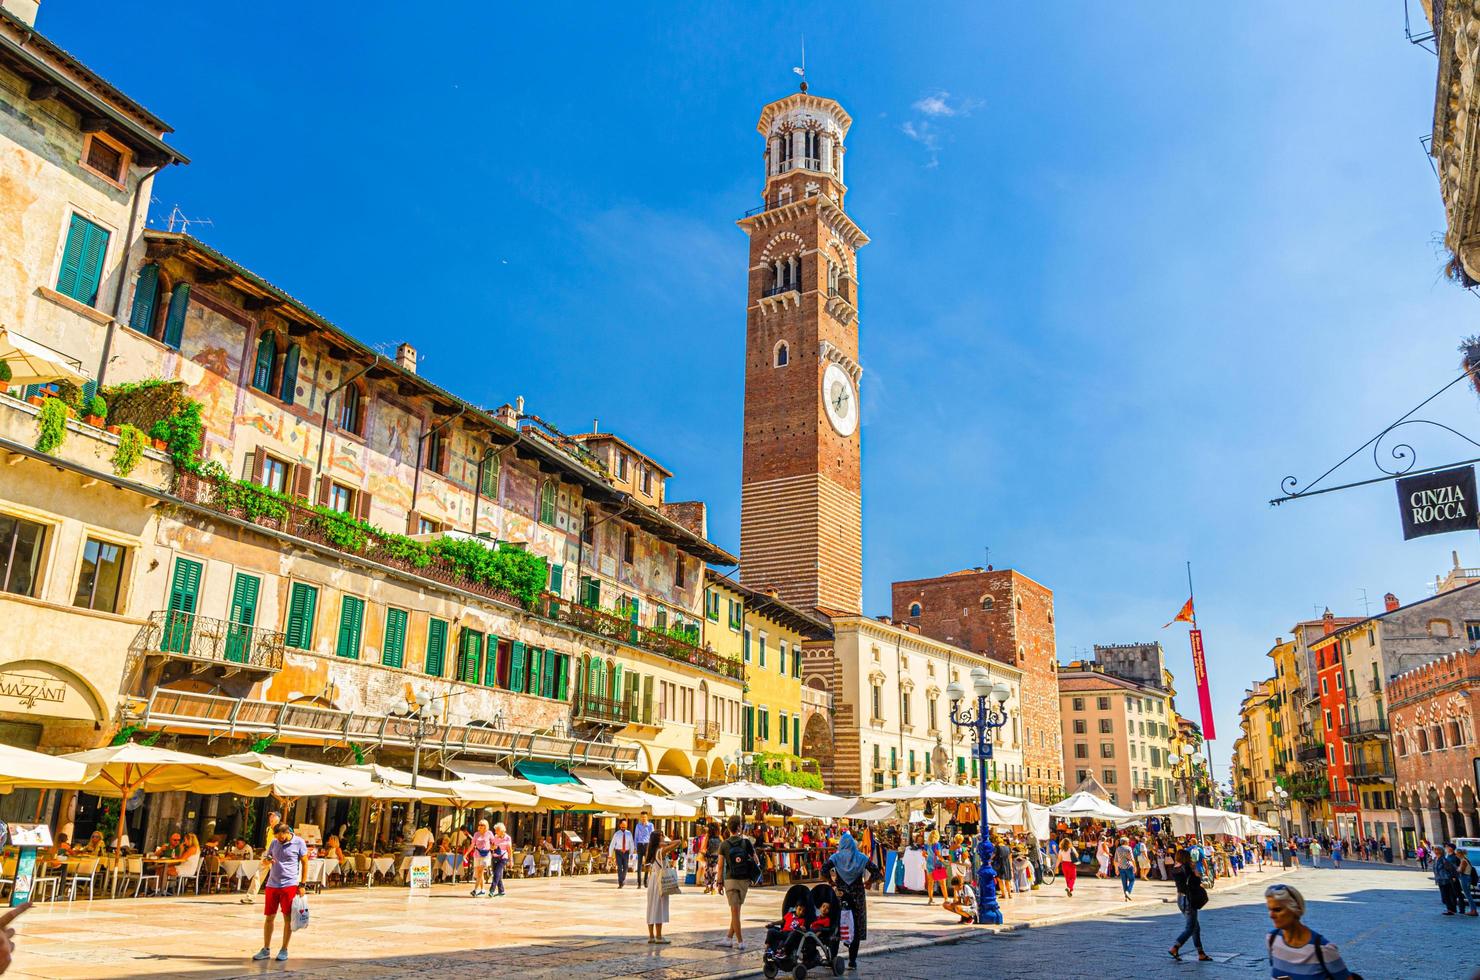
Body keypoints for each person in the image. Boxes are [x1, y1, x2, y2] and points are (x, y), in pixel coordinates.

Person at [1265, 883, 1353, 979]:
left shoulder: (1323, 949)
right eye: (1269, 910)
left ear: (1295, 909)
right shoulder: (1272, 939)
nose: (1271, 915)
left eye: (1277, 910)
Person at [826, 831, 881, 971]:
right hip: (857, 897)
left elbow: (823, 869)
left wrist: (831, 883)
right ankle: (852, 961)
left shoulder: (836, 857)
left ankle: (833, 959)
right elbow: (876, 872)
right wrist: (868, 882)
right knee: (855, 928)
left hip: (840, 896)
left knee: (837, 926)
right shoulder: (861, 857)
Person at [253, 822, 308, 963]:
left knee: (287, 918)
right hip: (272, 884)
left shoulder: (299, 842)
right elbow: (266, 860)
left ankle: (284, 949)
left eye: (281, 836)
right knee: (269, 917)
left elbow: (305, 862)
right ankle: (265, 949)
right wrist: (267, 861)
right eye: (276, 837)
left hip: (289, 885)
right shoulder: (274, 842)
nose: (279, 839)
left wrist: (302, 884)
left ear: (287, 832)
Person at [721, 815, 760, 951]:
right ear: (739, 827)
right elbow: (756, 860)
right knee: (736, 910)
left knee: (735, 910)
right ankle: (728, 938)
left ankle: (740, 941)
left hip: (730, 880)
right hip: (744, 881)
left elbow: (720, 866)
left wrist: (719, 882)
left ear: (729, 828)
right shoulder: (746, 842)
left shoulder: (724, 844)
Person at [1169, 847, 1212, 962]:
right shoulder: (1186, 868)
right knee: (1190, 927)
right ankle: (1175, 947)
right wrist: (1197, 875)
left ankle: (1201, 953)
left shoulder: (1175, 868)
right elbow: (1195, 882)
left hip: (1180, 898)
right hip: (1189, 898)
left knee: (1195, 927)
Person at [644, 829, 682, 944]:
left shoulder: (650, 850)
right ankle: (659, 937)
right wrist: (665, 843)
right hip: (660, 881)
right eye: (662, 836)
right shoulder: (661, 851)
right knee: (659, 908)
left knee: (651, 907)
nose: (664, 837)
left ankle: (651, 936)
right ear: (658, 839)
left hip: (653, 880)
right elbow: (678, 842)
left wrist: (661, 842)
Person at [240, 811, 281, 904]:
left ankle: (286, 896)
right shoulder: (268, 829)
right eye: (270, 816)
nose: (270, 818)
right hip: (267, 854)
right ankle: (251, 896)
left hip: (277, 854)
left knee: (280, 876)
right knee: (258, 874)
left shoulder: (281, 828)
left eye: (273, 816)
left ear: (278, 818)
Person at [467, 819, 495, 896]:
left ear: (486, 826)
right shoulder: (476, 834)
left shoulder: (489, 833)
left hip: (486, 855)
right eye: (479, 824)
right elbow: (472, 845)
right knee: (479, 873)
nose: (480, 826)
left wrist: (493, 847)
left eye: (482, 825)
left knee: (480, 871)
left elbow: (494, 843)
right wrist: (466, 854)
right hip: (477, 854)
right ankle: (482, 890)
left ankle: (475, 890)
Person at [608, 818, 636, 889]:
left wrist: (632, 853)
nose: (624, 825)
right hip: (618, 852)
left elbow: (631, 843)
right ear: (620, 825)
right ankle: (620, 882)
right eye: (623, 824)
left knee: (626, 867)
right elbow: (612, 845)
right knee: (620, 867)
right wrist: (610, 855)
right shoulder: (616, 834)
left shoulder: (629, 833)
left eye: (625, 824)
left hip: (626, 852)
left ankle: (622, 879)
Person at [923, 830, 947, 905]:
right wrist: (944, 860)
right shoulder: (937, 844)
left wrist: (929, 857)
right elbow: (938, 854)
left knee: (930, 883)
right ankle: (946, 899)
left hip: (929, 865)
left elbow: (923, 854)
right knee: (942, 883)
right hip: (937, 865)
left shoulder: (927, 844)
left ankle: (930, 899)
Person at [489, 822, 512, 897]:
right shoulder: (495, 837)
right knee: (497, 874)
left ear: (502, 830)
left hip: (503, 858)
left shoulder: (507, 838)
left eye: (497, 830)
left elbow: (509, 850)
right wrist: (493, 847)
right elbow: (491, 847)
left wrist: (510, 860)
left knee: (496, 874)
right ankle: (501, 891)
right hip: (495, 857)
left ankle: (491, 890)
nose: (495, 832)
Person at [633, 812, 655, 888]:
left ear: (647, 817)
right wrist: (635, 847)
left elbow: (652, 836)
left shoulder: (650, 825)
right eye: (642, 817)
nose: (643, 818)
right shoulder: (638, 825)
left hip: (647, 845)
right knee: (639, 865)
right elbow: (635, 837)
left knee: (647, 864)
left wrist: (651, 847)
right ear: (640, 817)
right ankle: (639, 883)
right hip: (639, 845)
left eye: (644, 817)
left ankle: (645, 881)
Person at [703, 821, 723, 894]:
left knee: (707, 872)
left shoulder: (708, 837)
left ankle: (707, 888)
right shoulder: (720, 837)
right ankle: (713, 888)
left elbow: (704, 847)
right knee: (715, 872)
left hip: (708, 857)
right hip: (716, 857)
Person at [1114, 837, 1136, 901]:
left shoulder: (1118, 849)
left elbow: (1115, 860)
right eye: (1128, 841)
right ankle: (1128, 892)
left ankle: (1126, 897)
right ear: (1126, 842)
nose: (1129, 842)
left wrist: (1116, 869)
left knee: (1124, 882)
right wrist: (1135, 866)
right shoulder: (1128, 848)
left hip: (1121, 867)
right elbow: (1132, 858)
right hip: (1128, 866)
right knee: (1132, 880)